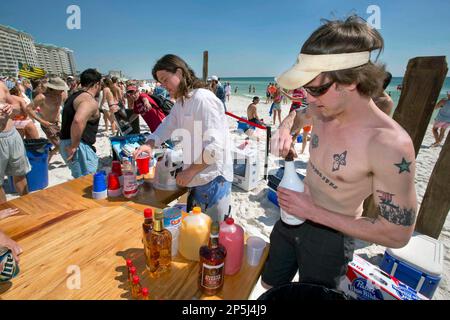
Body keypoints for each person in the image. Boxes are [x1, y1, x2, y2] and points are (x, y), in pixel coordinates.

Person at [263, 16, 417, 291]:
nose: (308, 97)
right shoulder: (323, 108)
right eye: (304, 88)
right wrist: (286, 127)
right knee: (271, 284)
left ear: (351, 81)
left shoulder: (388, 145)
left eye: (315, 88)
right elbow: (300, 114)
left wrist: (313, 211)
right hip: (291, 219)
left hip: (331, 236)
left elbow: (396, 233)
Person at [133, 54, 233, 223]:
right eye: (161, 82)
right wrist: (150, 144)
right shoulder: (181, 102)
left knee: (212, 235)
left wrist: (190, 171)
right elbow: (167, 125)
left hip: (213, 178)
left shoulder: (202, 98)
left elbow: (215, 147)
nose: (164, 86)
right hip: (196, 176)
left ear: (179, 73)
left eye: (165, 80)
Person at [59, 69, 102, 178]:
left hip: (67, 141)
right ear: (97, 84)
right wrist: (74, 146)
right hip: (78, 145)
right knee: (87, 181)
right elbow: (78, 121)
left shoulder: (74, 96)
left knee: (79, 179)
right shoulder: (88, 100)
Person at [0, 82, 30, 205]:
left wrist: (11, 108)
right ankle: (4, 211)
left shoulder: (1, 85)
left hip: (12, 135)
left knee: (20, 173)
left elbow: (18, 108)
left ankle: (28, 204)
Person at [27, 77, 68, 163]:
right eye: (60, 89)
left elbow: (62, 107)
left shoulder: (62, 95)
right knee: (60, 145)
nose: (62, 91)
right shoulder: (42, 97)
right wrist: (42, 121)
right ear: (52, 88)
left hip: (58, 123)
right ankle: (51, 154)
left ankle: (50, 153)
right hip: (47, 124)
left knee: (64, 143)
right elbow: (28, 109)